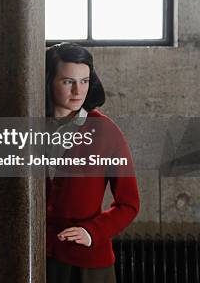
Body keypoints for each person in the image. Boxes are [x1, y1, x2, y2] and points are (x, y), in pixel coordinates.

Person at [45, 42, 140, 283]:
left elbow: (129, 204)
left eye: (85, 81)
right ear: (48, 81)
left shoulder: (106, 131)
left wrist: (92, 231)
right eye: (68, 81)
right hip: (31, 254)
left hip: (88, 264)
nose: (78, 91)